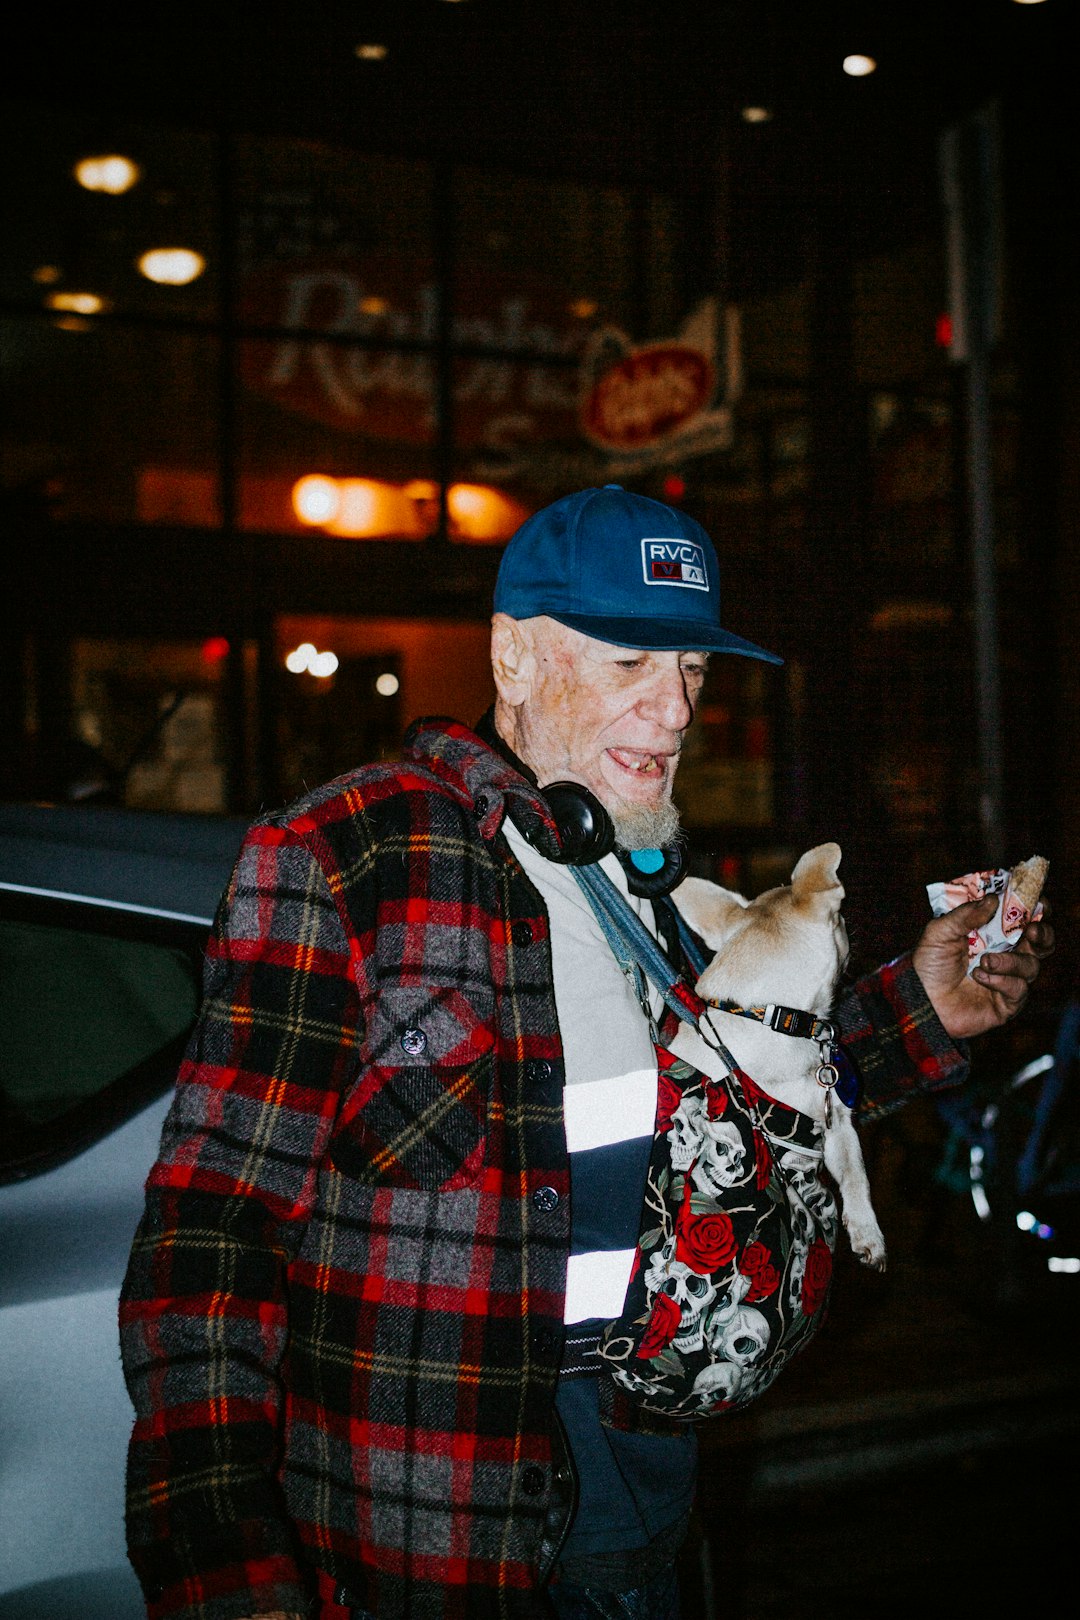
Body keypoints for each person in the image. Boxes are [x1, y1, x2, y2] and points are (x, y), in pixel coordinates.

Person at [120, 484, 1052, 1620]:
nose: (673, 713)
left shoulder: (642, 872)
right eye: (630, 667)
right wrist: (222, 1557)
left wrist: (921, 1007)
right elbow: (212, 1227)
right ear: (513, 659)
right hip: (432, 1512)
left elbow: (729, 1107)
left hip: (642, 1477)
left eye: (695, 675)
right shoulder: (349, 855)